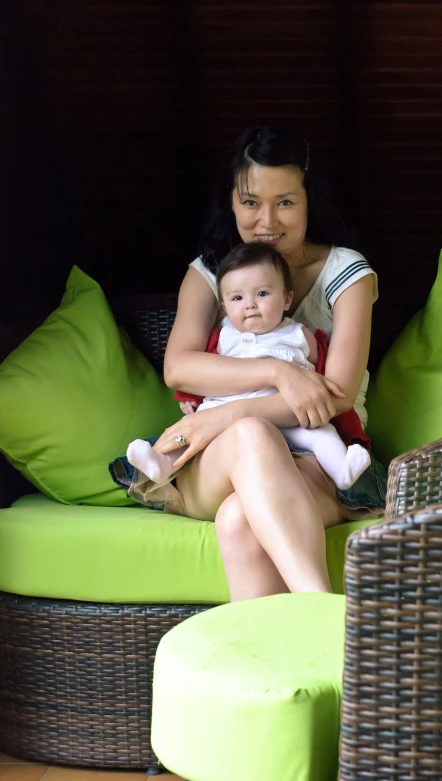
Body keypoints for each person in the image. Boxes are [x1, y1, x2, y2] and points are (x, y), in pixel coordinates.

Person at [126, 124, 387, 602]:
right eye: (250, 202)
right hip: (218, 461)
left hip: (317, 459)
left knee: (239, 519)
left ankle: (281, 660)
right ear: (231, 202)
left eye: (285, 202)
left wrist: (226, 413)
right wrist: (277, 371)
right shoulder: (211, 272)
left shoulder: (346, 272)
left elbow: (335, 394)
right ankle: (322, 611)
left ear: (310, 202)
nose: (267, 220)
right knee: (250, 435)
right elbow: (179, 368)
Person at [126, 242, 371, 490]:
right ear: (225, 307)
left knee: (322, 435)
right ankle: (162, 463)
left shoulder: (301, 334)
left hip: (286, 413)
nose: (250, 304)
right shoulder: (221, 337)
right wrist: (190, 396)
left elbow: (323, 373)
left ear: (287, 299)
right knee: (191, 431)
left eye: (262, 294)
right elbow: (205, 372)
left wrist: (315, 387)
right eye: (237, 298)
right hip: (224, 410)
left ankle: (342, 469)